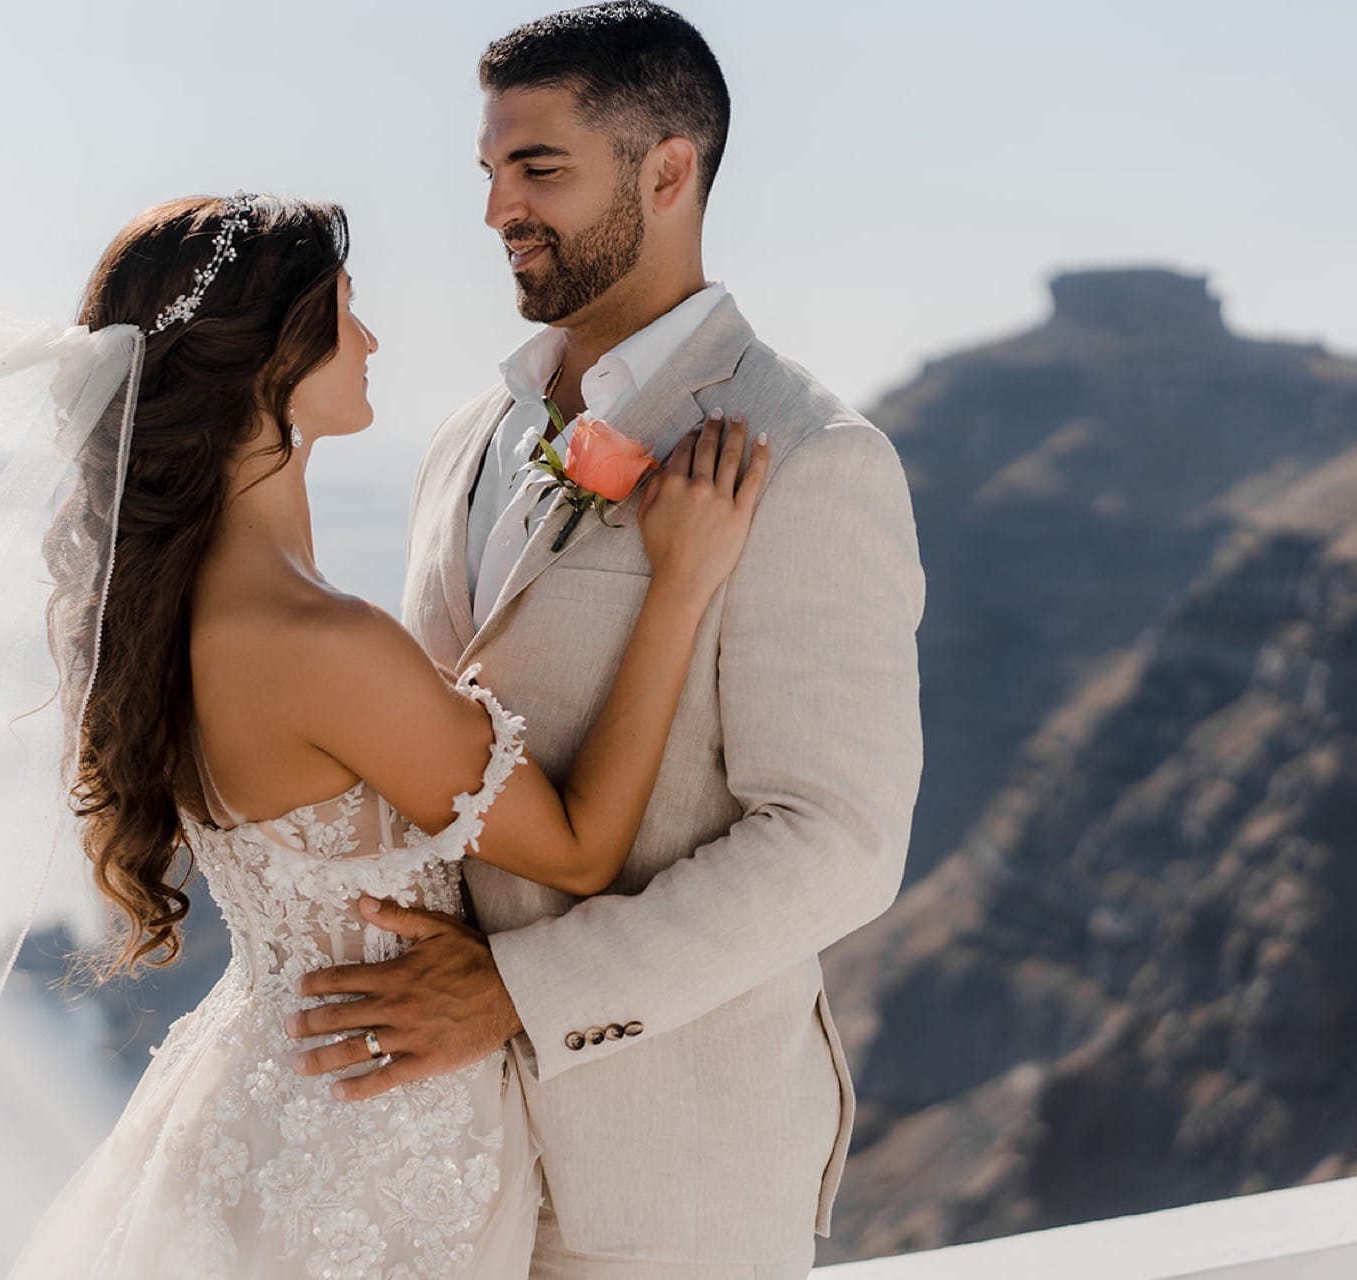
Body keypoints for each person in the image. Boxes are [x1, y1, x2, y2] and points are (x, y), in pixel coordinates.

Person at [4, 192, 768, 1277]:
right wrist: (682, 586)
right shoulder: (314, 636)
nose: (370, 340)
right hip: (373, 1137)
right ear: (267, 360)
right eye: (344, 313)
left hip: (268, 1087)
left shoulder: (172, 610)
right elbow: (583, 846)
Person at [286, 5, 927, 1277]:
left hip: (669, 1177)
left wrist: (521, 993)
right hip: (430, 1155)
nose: (496, 212)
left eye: (538, 171)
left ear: (669, 170)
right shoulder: (469, 431)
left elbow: (838, 842)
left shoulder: (809, 457)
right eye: (488, 172)